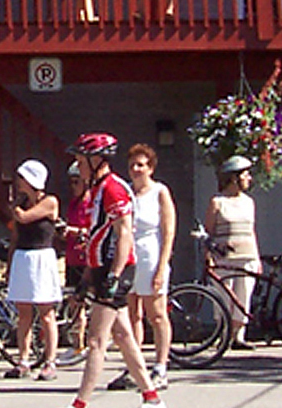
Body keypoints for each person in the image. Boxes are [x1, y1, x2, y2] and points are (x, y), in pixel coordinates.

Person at [64, 132, 163, 408]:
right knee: (123, 336)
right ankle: (152, 397)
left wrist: (114, 276)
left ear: (96, 160)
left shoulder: (113, 189)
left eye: (81, 160)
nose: (77, 166)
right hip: (100, 268)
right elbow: (98, 235)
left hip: (115, 269)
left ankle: (80, 403)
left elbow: (125, 235)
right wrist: (87, 277)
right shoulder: (96, 188)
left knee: (96, 341)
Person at [112, 144, 175, 390]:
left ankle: (160, 367)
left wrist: (162, 267)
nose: (136, 169)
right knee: (131, 315)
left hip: (151, 256)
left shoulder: (160, 191)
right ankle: (134, 367)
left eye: (141, 165)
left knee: (156, 314)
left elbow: (168, 232)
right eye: (132, 165)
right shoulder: (126, 193)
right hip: (130, 256)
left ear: (150, 168)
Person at [7, 159, 64, 380]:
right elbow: (15, 236)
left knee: (46, 313)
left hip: (41, 257)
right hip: (22, 257)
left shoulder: (49, 202)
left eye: (22, 178)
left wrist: (14, 207)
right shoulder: (22, 203)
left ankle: (50, 361)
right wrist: (10, 264)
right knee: (23, 313)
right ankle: (23, 359)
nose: (18, 182)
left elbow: (24, 217)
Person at [207, 156, 263, 351]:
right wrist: (209, 256)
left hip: (246, 256)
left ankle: (239, 336)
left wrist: (256, 258)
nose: (249, 178)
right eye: (245, 175)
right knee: (224, 295)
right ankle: (223, 335)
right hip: (224, 258)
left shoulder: (249, 202)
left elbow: (251, 230)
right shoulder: (218, 202)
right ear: (234, 178)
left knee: (243, 295)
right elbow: (209, 232)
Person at [59, 159, 94, 367]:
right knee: (74, 302)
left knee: (85, 301)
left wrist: (74, 231)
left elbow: (93, 230)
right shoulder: (73, 203)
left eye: (76, 182)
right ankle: (77, 344)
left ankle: (86, 343)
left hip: (86, 259)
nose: (73, 186)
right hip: (72, 256)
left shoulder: (91, 202)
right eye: (71, 182)